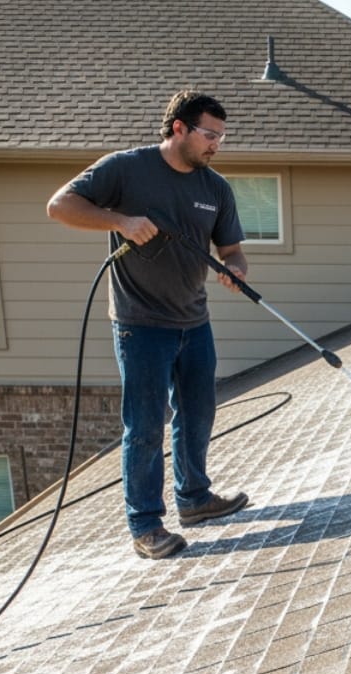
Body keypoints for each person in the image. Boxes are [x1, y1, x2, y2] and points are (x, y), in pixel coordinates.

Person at [46, 90, 250, 559]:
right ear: (179, 127)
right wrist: (119, 221)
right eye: (209, 134)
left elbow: (233, 250)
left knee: (198, 413)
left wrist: (235, 270)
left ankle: (195, 499)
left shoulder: (214, 188)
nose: (216, 144)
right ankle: (145, 526)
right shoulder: (125, 168)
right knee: (144, 427)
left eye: (222, 136)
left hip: (194, 319)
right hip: (140, 325)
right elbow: (59, 206)